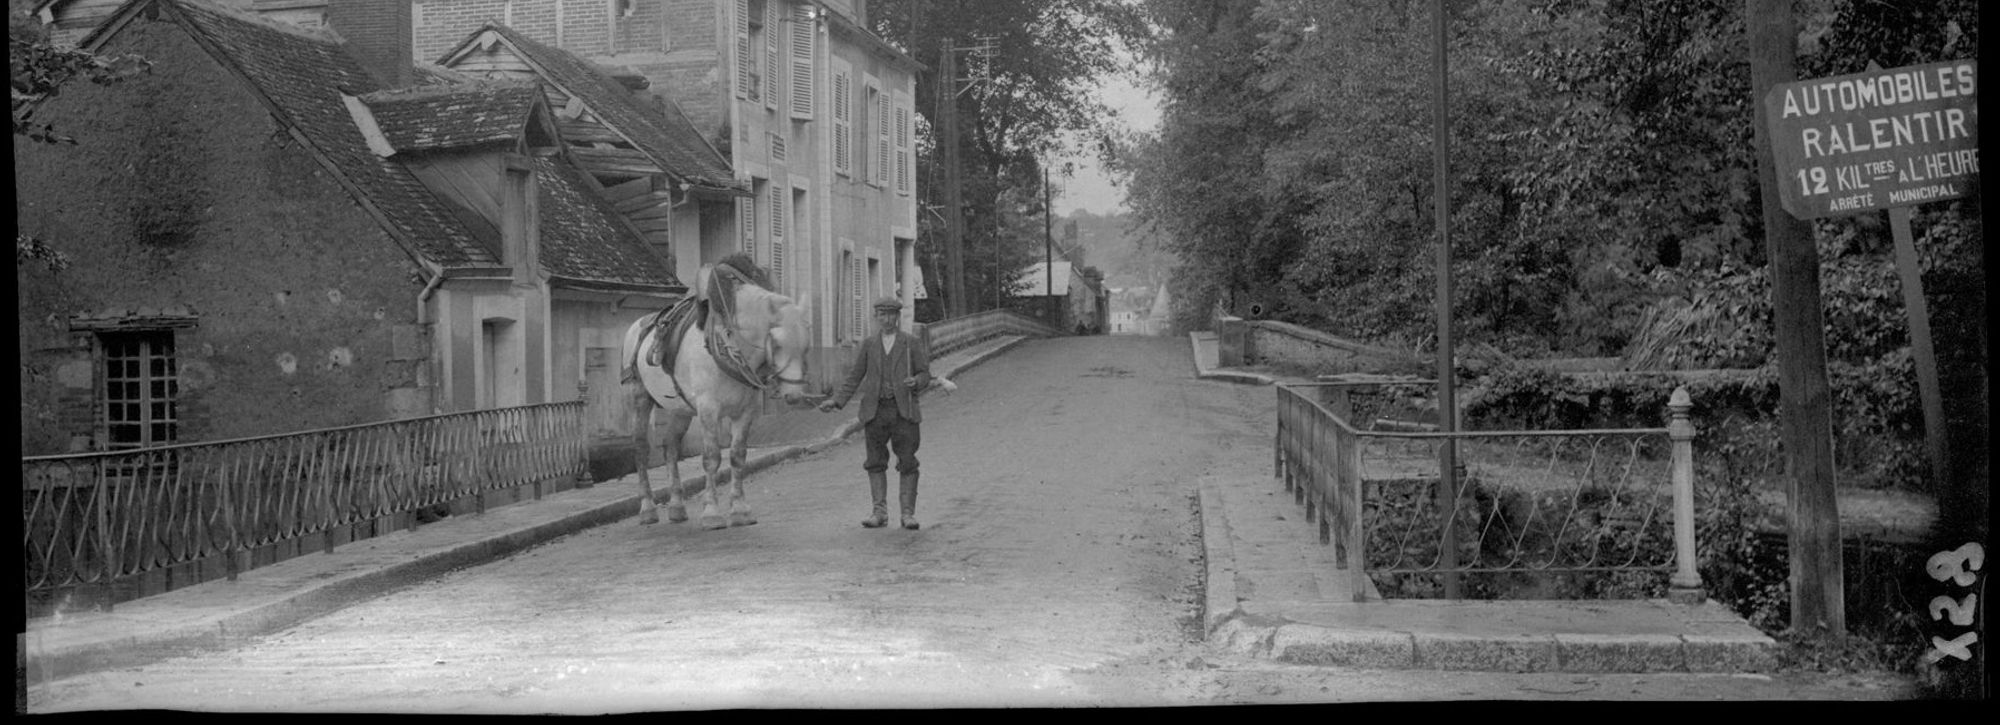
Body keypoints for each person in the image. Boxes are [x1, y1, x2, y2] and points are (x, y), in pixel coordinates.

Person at [818, 297, 932, 529]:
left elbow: (925, 374)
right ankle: (879, 512)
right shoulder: (869, 345)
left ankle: (907, 514)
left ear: (897, 317)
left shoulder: (910, 343)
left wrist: (916, 381)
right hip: (875, 412)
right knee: (875, 461)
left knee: (908, 460)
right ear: (876, 317)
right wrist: (837, 401)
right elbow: (855, 376)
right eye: (882, 315)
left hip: (904, 412)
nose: (887, 319)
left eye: (891, 315)